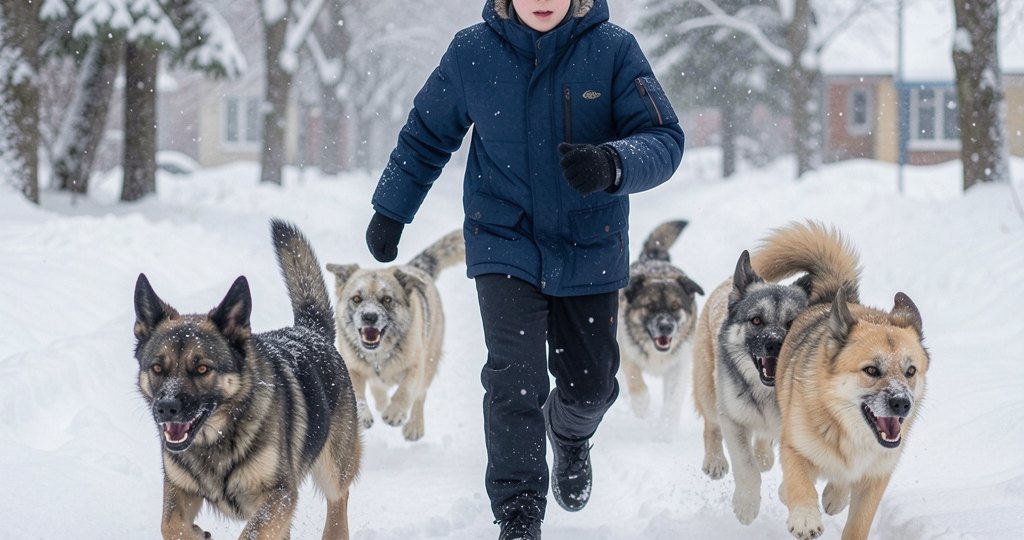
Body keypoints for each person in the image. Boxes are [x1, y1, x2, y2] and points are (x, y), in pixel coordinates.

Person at [364, 0, 685, 538]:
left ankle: (571, 435)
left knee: (591, 386)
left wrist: (613, 163)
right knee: (515, 380)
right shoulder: (473, 51)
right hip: (503, 241)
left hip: (591, 243)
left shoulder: (612, 50)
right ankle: (518, 514)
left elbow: (664, 138)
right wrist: (391, 210)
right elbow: (426, 133)